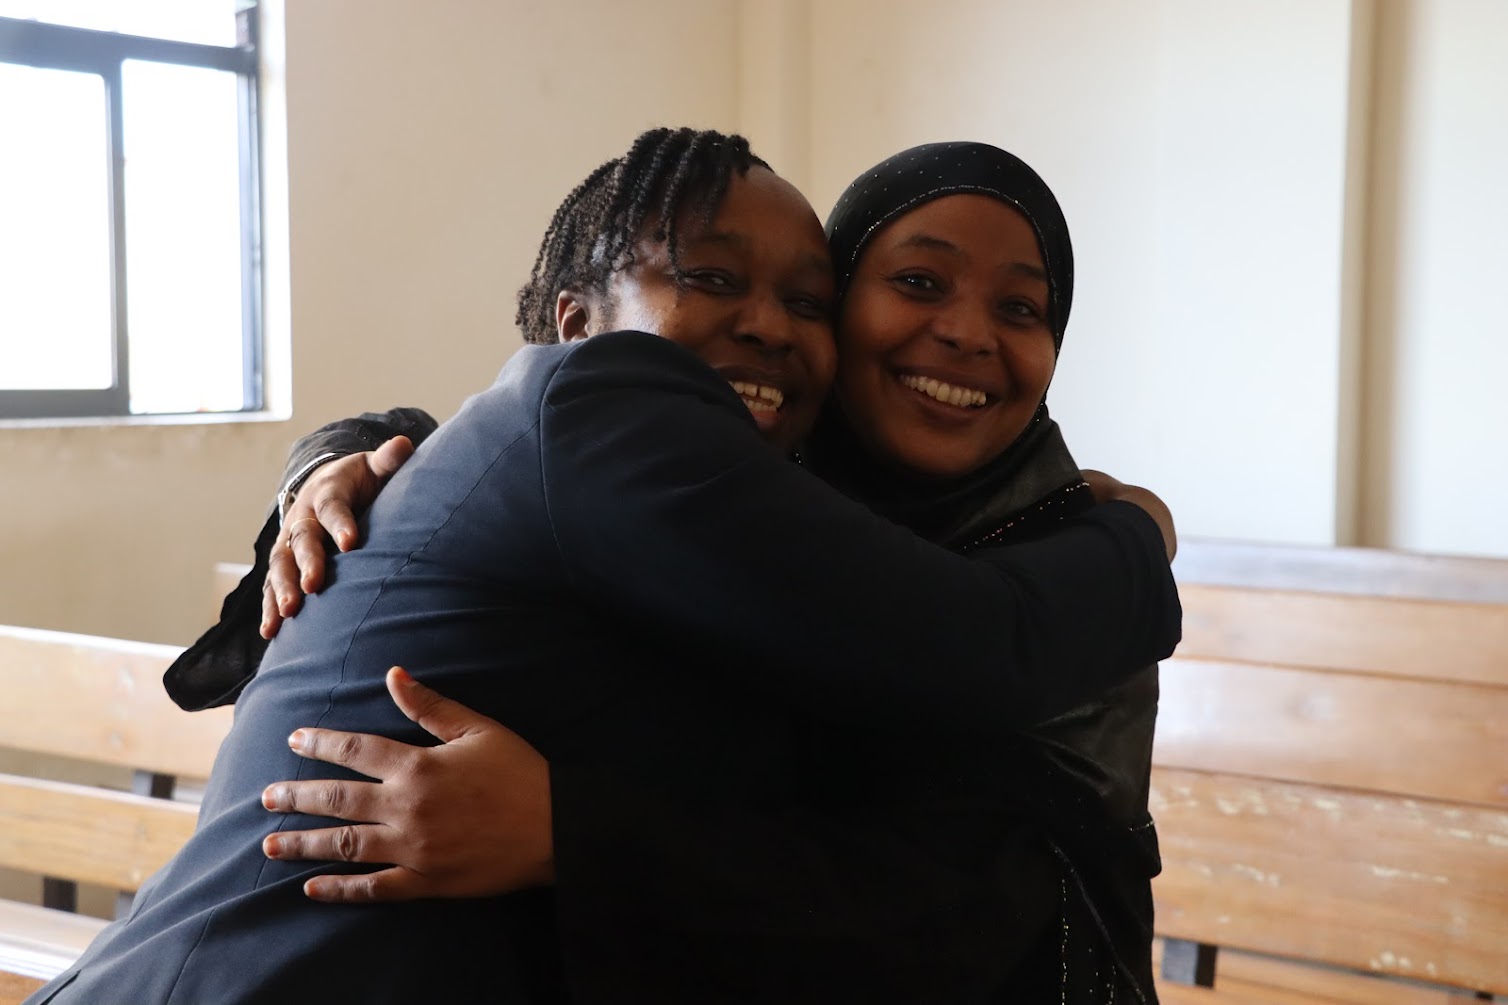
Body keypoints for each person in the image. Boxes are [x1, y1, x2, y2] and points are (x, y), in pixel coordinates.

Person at [28, 130, 1177, 1005]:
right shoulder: (642, 433)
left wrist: (566, 833)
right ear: (577, 321)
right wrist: (327, 461)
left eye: (1022, 308)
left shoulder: (1037, 557)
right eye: (914, 284)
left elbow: (955, 891)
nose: (968, 332)